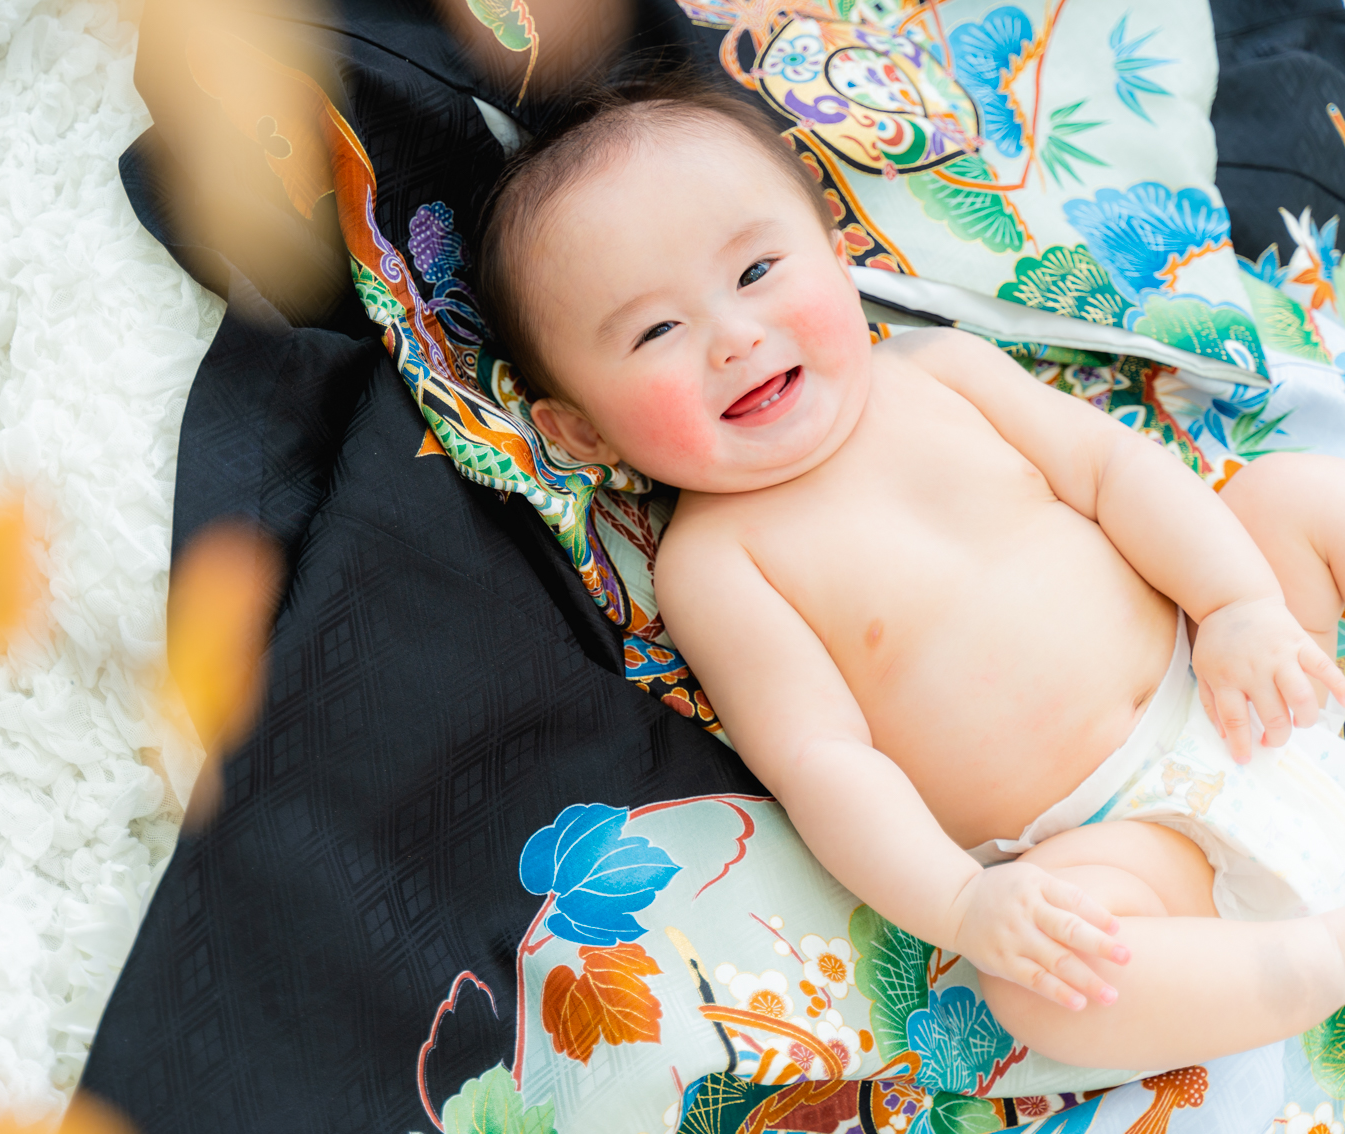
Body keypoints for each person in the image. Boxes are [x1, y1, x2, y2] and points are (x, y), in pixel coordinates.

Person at [473, 74, 1345, 1070]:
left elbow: (1115, 470)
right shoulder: (717, 566)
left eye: (755, 270)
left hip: (1252, 681)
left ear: (835, 251)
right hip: (1124, 841)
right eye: (656, 331)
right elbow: (823, 762)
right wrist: (964, 903)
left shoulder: (943, 373)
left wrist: (1237, 604)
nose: (735, 338)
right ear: (580, 430)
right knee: (1044, 990)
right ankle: (1311, 963)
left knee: (1291, 496)